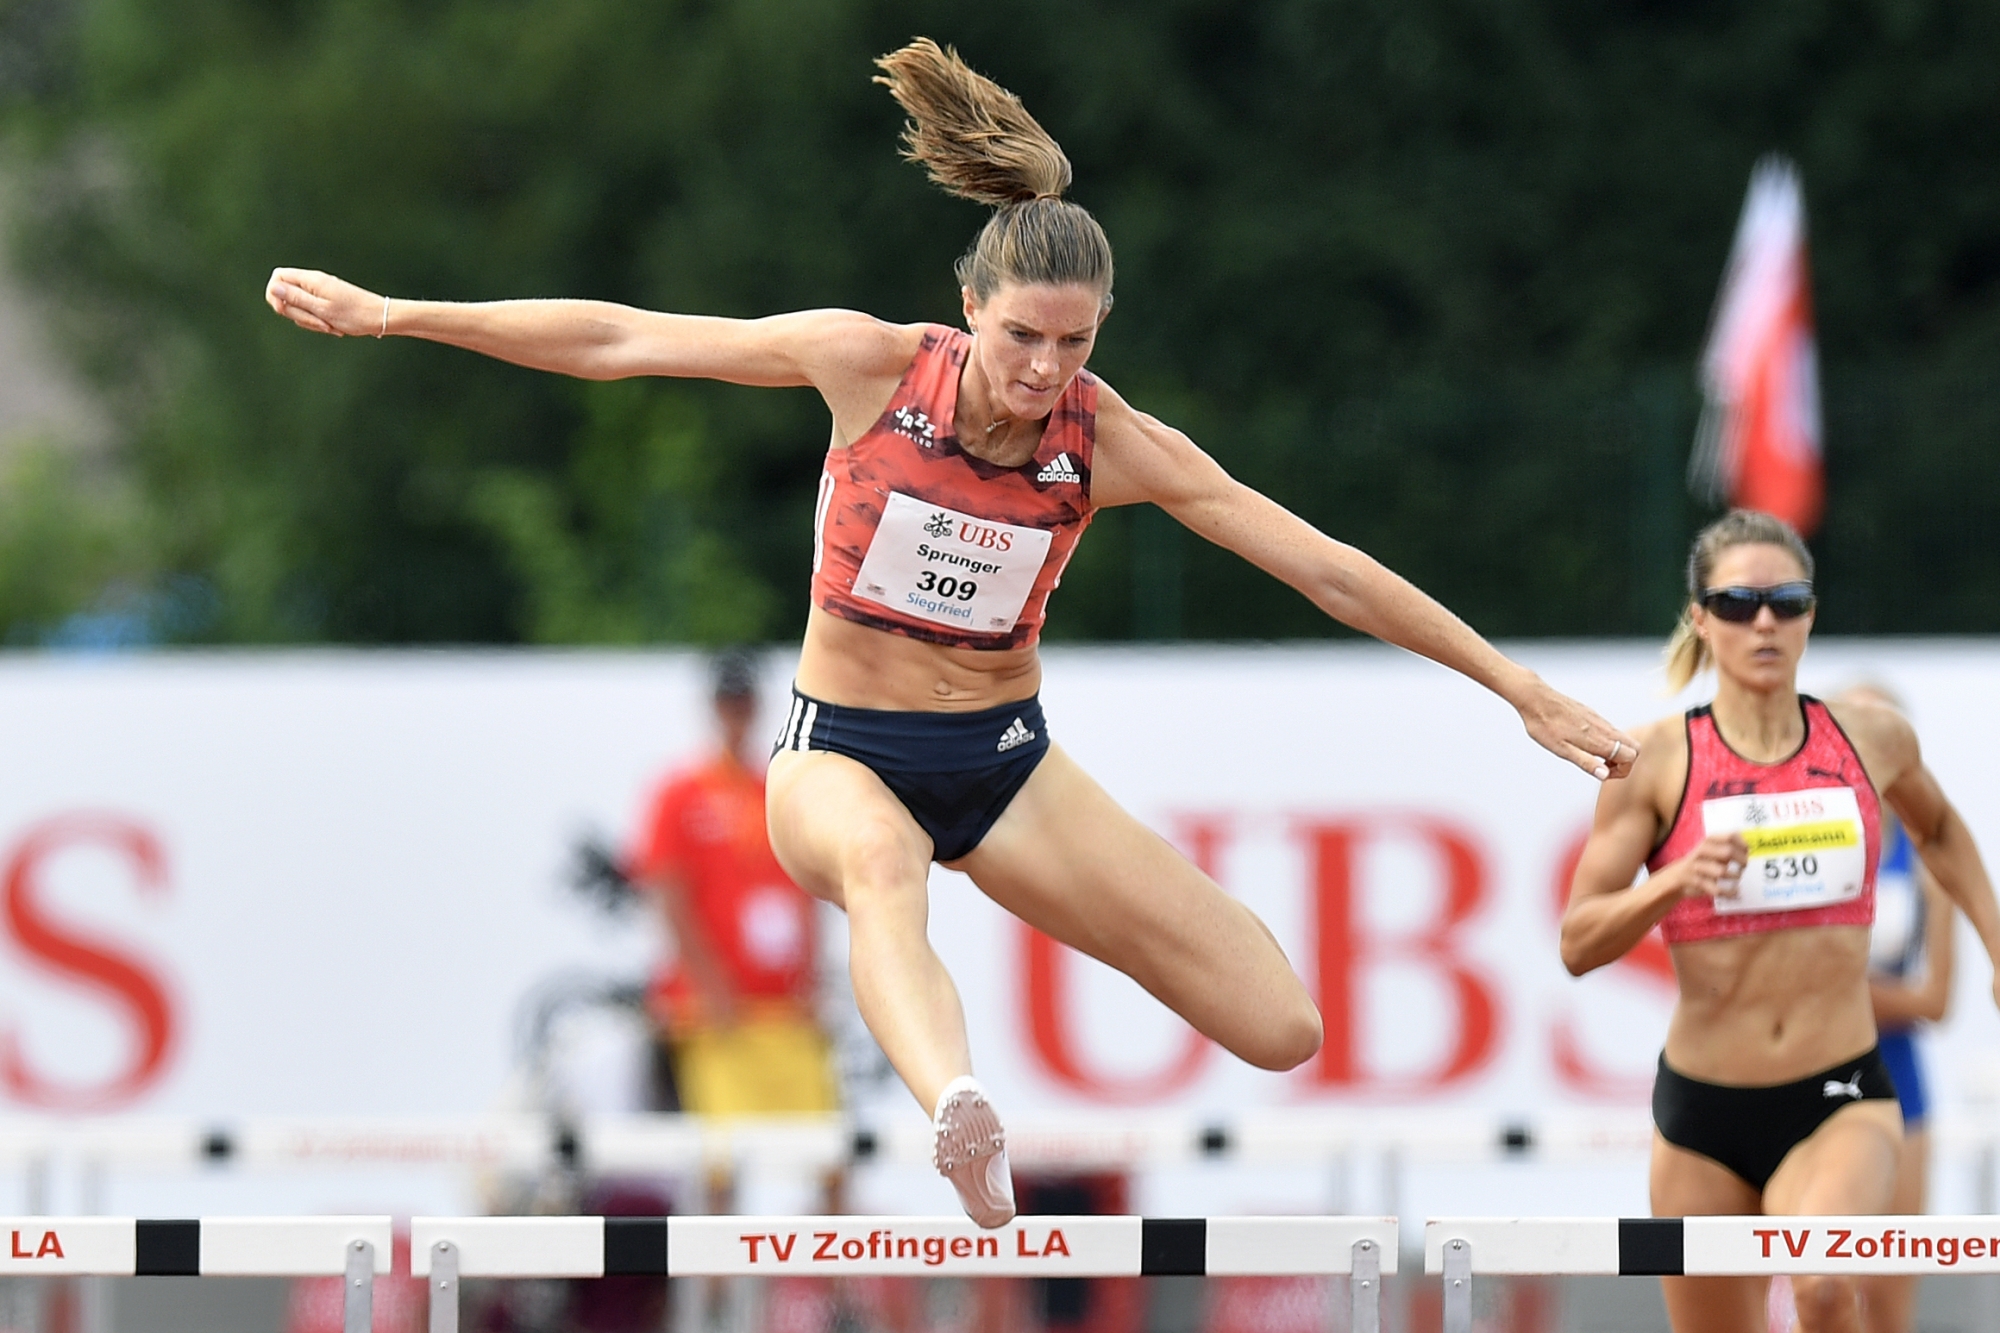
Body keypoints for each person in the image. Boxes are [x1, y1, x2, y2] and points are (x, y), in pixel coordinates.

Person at [267, 37, 1638, 1227]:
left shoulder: (1108, 442)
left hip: (1003, 763)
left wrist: (1516, 689)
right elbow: (625, 340)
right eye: (1026, 338)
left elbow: (1325, 568)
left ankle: (1001, 1005)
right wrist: (401, 315)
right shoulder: (867, 363)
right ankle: (958, 1107)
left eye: (1077, 345)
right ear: (972, 304)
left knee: (1281, 1025)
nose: (1046, 373)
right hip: (841, 752)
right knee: (880, 866)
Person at [1560, 509, 2000, 1333]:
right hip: (1700, 1110)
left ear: (1810, 614)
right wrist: (1673, 882)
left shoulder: (1871, 737)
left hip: (1839, 1092)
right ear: (1700, 617)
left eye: (1786, 600)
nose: (1763, 620)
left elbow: (1939, 828)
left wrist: (1995, 935)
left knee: (1828, 1289)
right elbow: (1578, 941)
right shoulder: (1654, 759)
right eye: (1737, 602)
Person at [627, 648, 838, 1126]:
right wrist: (709, 985)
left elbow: (808, 891)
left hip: (784, 1007)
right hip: (714, 1012)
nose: (736, 712)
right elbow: (667, 896)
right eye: (728, 702)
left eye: (744, 701)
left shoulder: (777, 790)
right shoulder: (678, 793)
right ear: (713, 707)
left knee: (829, 1150)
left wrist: (813, 976)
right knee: (722, 1159)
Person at [1836, 684, 1957, 1333]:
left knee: (1887, 1299)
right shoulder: (1803, 836)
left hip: (1899, 1082)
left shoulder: (1927, 850)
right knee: (1814, 1288)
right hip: (1812, 1077)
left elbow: (1937, 998)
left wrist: (1838, 989)